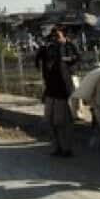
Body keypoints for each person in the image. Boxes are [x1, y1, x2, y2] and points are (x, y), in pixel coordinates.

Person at [38, 27, 80, 157]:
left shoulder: (64, 54)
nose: (54, 39)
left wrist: (64, 52)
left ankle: (66, 148)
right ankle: (57, 147)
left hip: (62, 92)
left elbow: (76, 58)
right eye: (53, 37)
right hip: (50, 91)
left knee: (61, 122)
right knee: (49, 121)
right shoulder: (48, 53)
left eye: (57, 37)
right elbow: (40, 60)